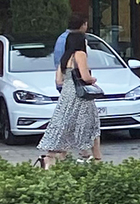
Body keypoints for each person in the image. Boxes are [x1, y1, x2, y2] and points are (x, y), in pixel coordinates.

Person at [37, 14, 104, 168]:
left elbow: (58, 80)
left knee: (63, 124)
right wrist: (92, 80)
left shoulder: (64, 58)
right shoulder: (80, 54)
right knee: (92, 124)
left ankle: (51, 157)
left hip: (66, 94)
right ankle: (95, 158)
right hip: (80, 95)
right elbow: (85, 77)